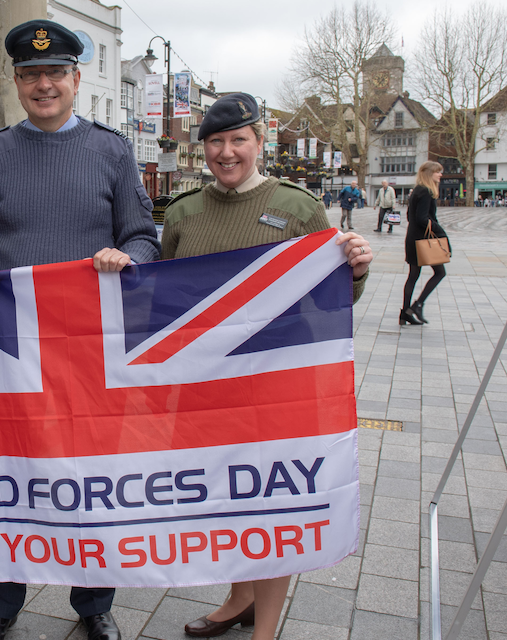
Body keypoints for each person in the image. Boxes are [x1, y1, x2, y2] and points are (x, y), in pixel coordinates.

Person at [0, 19, 159, 640]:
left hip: (89, 348)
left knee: (92, 475)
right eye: (30, 75)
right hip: (9, 346)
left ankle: (93, 604)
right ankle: (0, 606)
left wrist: (127, 256)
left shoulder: (111, 150)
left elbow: (142, 234)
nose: (43, 84)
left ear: (77, 79)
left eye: (55, 72)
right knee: (6, 471)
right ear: (15, 82)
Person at [160, 93, 373, 640]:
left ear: (259, 143)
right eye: (215, 142)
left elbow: (330, 296)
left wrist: (355, 269)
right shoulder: (182, 213)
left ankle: (266, 629)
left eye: (238, 140)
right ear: (201, 146)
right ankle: (238, 599)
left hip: (273, 385)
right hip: (203, 386)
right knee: (223, 500)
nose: (226, 152)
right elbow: (163, 299)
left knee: (272, 506)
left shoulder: (300, 207)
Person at [401, 161, 448, 326]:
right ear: (429, 173)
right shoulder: (427, 191)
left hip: (412, 238)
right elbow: (423, 219)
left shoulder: (416, 191)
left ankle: (405, 313)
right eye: (437, 172)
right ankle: (417, 305)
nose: (440, 175)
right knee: (440, 273)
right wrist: (441, 232)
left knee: (413, 276)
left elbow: (410, 216)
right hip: (423, 241)